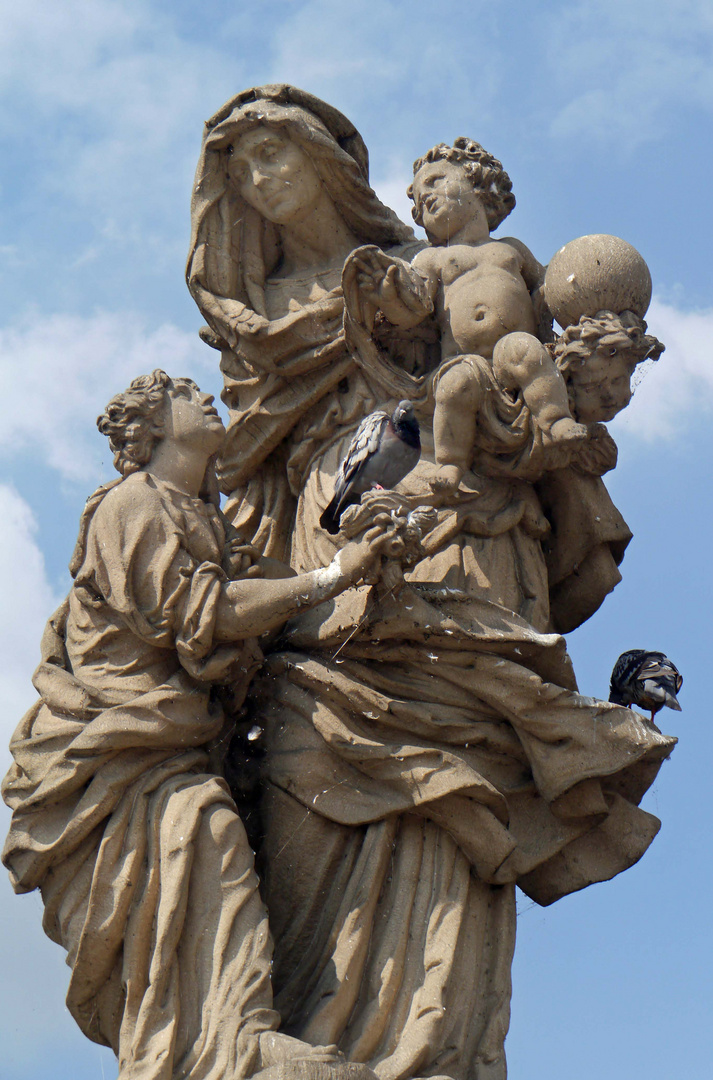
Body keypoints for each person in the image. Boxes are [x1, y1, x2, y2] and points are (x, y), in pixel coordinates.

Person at [187, 88, 676, 1080]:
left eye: (275, 161)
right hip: (326, 545)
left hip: (460, 537)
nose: (261, 186)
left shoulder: (465, 277)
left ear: (327, 166)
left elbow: (553, 377)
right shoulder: (280, 310)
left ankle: (427, 1051)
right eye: (240, 176)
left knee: (453, 761)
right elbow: (247, 453)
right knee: (300, 755)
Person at [2, 369, 402, 1080]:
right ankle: (226, 1041)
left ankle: (226, 1034)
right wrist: (332, 576)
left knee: (211, 853)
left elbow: (265, 595)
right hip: (118, 753)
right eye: (187, 396)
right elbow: (204, 615)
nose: (205, 400)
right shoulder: (130, 506)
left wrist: (360, 551)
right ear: (152, 427)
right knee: (205, 839)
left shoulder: (207, 520)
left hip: (173, 747)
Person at [350, 137, 591, 494]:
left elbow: (551, 293)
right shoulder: (432, 259)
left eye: (436, 182)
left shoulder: (510, 250)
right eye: (418, 197)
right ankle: (450, 466)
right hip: (465, 361)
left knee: (526, 350)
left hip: (509, 350)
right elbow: (413, 312)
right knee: (454, 387)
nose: (426, 196)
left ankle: (555, 421)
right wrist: (389, 298)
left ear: (477, 183)